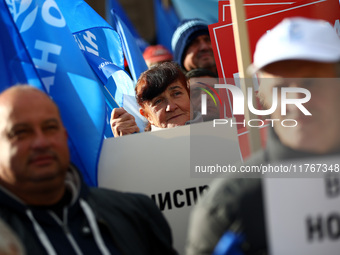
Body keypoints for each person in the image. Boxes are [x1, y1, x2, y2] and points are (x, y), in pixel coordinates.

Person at [185, 17, 340, 255]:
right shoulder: (228, 208)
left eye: (311, 83)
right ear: (262, 96)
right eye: (280, 88)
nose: (297, 101)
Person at [0, 85, 177, 255]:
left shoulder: (136, 213)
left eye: (50, 128)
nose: (41, 142)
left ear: (64, 135)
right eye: (20, 133)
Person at [111, 62, 202, 135]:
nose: (171, 107)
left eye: (176, 93)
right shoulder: (139, 151)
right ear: (147, 115)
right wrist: (124, 146)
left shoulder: (215, 126)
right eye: (158, 101)